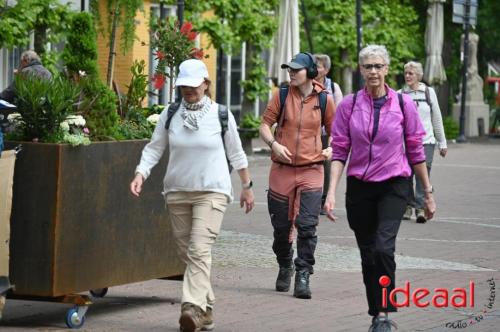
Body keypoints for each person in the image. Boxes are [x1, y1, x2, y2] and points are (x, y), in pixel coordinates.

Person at [130, 59, 255, 332]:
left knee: (199, 249)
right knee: (188, 253)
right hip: (176, 191)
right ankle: (206, 309)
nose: (188, 90)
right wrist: (141, 173)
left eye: (193, 85)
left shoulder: (221, 114)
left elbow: (236, 153)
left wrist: (247, 186)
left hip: (213, 191)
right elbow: (154, 148)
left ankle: (191, 307)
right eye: (184, 85)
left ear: (206, 84)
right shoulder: (171, 113)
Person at [324, 45, 436, 332]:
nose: (373, 71)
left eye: (378, 66)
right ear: (361, 70)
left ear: (387, 69)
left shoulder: (402, 104)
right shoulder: (348, 105)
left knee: (384, 248)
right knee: (368, 253)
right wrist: (332, 193)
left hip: (394, 185)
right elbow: (339, 151)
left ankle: (385, 313)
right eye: (368, 67)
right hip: (360, 187)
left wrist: (428, 194)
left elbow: (415, 150)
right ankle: (376, 313)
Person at [259, 52, 335, 299]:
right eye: (289, 69)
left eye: (296, 70)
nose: (291, 73)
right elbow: (264, 125)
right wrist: (274, 145)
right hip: (281, 170)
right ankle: (285, 263)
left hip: (312, 169)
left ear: (310, 73)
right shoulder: (280, 95)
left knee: (307, 226)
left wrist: (331, 147)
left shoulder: (324, 99)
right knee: (281, 228)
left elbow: (336, 132)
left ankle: (303, 273)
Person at [400, 61, 447, 223]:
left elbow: (437, 118)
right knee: (406, 174)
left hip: (426, 141)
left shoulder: (428, 92)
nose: (407, 76)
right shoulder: (400, 94)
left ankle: (420, 208)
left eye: (411, 73)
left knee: (423, 174)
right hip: (405, 143)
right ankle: (407, 205)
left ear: (419, 76)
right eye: (406, 73)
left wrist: (442, 142)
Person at [314, 54, 343, 214]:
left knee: (326, 165)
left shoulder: (333, 87)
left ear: (326, 70)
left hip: (327, 134)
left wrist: (335, 136)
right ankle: (311, 197)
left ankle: (324, 198)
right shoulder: (306, 85)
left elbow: (339, 112)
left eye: (318, 66)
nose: (315, 69)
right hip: (309, 133)